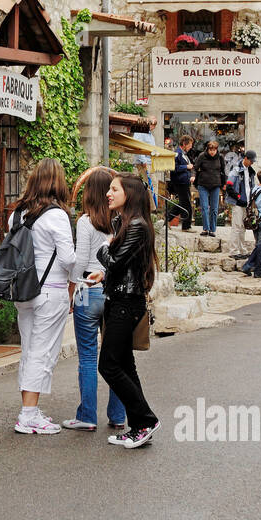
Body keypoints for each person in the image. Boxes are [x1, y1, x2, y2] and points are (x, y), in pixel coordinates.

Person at [90, 173, 160, 448]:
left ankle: (146, 420)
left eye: (114, 189)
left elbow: (116, 261)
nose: (108, 193)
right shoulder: (125, 223)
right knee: (125, 366)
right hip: (118, 299)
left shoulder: (137, 226)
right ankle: (139, 426)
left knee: (108, 364)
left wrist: (103, 249)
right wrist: (104, 275)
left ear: (128, 195)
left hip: (125, 304)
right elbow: (123, 267)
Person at [9, 158, 76, 435]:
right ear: (58, 183)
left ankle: (31, 410)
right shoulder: (57, 215)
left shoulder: (18, 213)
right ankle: (28, 415)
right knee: (42, 351)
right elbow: (69, 259)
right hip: (52, 291)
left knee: (30, 349)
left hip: (24, 291)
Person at [63, 166, 126, 431]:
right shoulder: (120, 220)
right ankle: (118, 415)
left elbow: (78, 262)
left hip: (88, 290)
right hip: (112, 291)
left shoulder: (85, 221)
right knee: (115, 357)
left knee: (88, 358)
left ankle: (87, 416)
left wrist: (70, 290)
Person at [225, 149, 258, 258]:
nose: (252, 163)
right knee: (236, 226)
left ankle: (242, 249)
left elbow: (251, 187)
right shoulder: (235, 170)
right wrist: (238, 197)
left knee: (243, 227)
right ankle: (234, 250)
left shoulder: (251, 171)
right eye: (251, 161)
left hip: (247, 203)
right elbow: (229, 186)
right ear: (246, 158)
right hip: (238, 202)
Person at [194, 140, 225, 238]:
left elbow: (223, 171)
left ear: (216, 150)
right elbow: (195, 168)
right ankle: (205, 228)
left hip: (215, 185)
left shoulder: (220, 158)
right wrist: (193, 177)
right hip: (203, 184)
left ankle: (212, 229)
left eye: (214, 150)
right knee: (204, 207)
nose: (212, 152)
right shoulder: (202, 156)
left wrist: (224, 184)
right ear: (207, 149)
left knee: (214, 209)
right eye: (210, 150)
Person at [169, 135, 195, 230]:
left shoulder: (184, 154)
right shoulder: (177, 153)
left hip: (184, 182)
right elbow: (173, 168)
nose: (191, 147)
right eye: (190, 145)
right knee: (186, 204)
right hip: (179, 182)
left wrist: (191, 174)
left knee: (182, 203)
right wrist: (186, 167)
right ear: (184, 144)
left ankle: (167, 218)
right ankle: (186, 226)